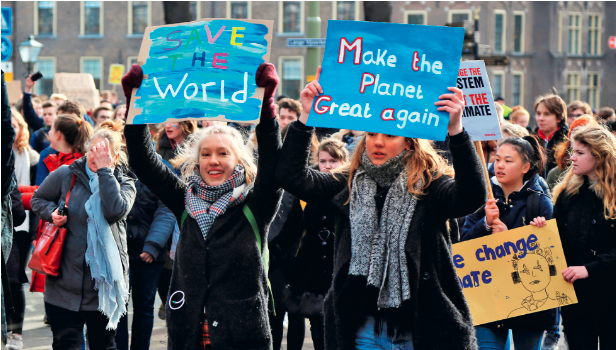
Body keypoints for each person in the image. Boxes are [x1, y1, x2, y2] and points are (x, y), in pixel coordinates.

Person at [276, 66, 487, 350]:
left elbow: (471, 197)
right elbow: (292, 177)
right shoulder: (347, 182)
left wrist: (456, 131)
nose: (378, 142)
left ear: (409, 142)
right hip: (360, 325)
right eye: (372, 133)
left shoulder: (429, 184)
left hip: (421, 325)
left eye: (389, 135)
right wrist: (306, 116)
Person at [122, 62, 282, 349]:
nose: (214, 161)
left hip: (241, 334)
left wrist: (267, 105)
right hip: (189, 331)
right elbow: (143, 164)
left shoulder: (255, 205)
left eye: (223, 153)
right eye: (206, 154)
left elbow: (273, 168)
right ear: (196, 161)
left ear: (240, 161)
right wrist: (134, 105)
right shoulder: (184, 199)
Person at [31, 121, 136, 350]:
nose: (95, 156)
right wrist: (52, 213)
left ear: (115, 157)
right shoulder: (66, 174)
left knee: (103, 346)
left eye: (103, 152)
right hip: (63, 286)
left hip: (104, 291)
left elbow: (113, 211)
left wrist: (105, 172)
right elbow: (37, 199)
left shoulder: (125, 183)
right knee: (65, 345)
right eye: (92, 150)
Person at [461, 135, 555, 350]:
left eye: (508, 160)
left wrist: (512, 235)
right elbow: (463, 244)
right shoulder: (483, 198)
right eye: (497, 158)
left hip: (529, 303)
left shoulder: (539, 202)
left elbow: (550, 258)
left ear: (525, 167)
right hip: (488, 299)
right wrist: (485, 223)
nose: (499, 165)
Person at [112, 121, 177, 350]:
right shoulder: (113, 168)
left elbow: (167, 208)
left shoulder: (160, 167)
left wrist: (152, 245)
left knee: (144, 305)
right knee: (118, 305)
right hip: (117, 250)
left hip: (150, 251)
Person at [281, 137, 349, 350]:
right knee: (319, 334)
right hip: (313, 276)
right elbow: (292, 229)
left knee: (341, 335)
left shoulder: (352, 191)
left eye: (333, 161)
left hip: (341, 274)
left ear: (344, 162)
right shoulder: (308, 191)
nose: (327, 166)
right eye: (323, 161)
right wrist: (273, 251)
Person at [552, 124, 616, 350]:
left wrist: (591, 268)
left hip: (611, 294)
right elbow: (556, 237)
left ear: (599, 156)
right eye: (572, 152)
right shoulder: (569, 192)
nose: (572, 158)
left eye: (579, 153)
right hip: (577, 295)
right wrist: (541, 228)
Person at [547, 115, 598, 190]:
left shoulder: (609, 180)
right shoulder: (555, 174)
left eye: (585, 131)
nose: (579, 136)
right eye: (575, 131)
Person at [533, 94, 569, 178]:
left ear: (559, 117)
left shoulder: (568, 140)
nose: (541, 118)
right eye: (538, 114)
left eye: (547, 114)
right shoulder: (531, 140)